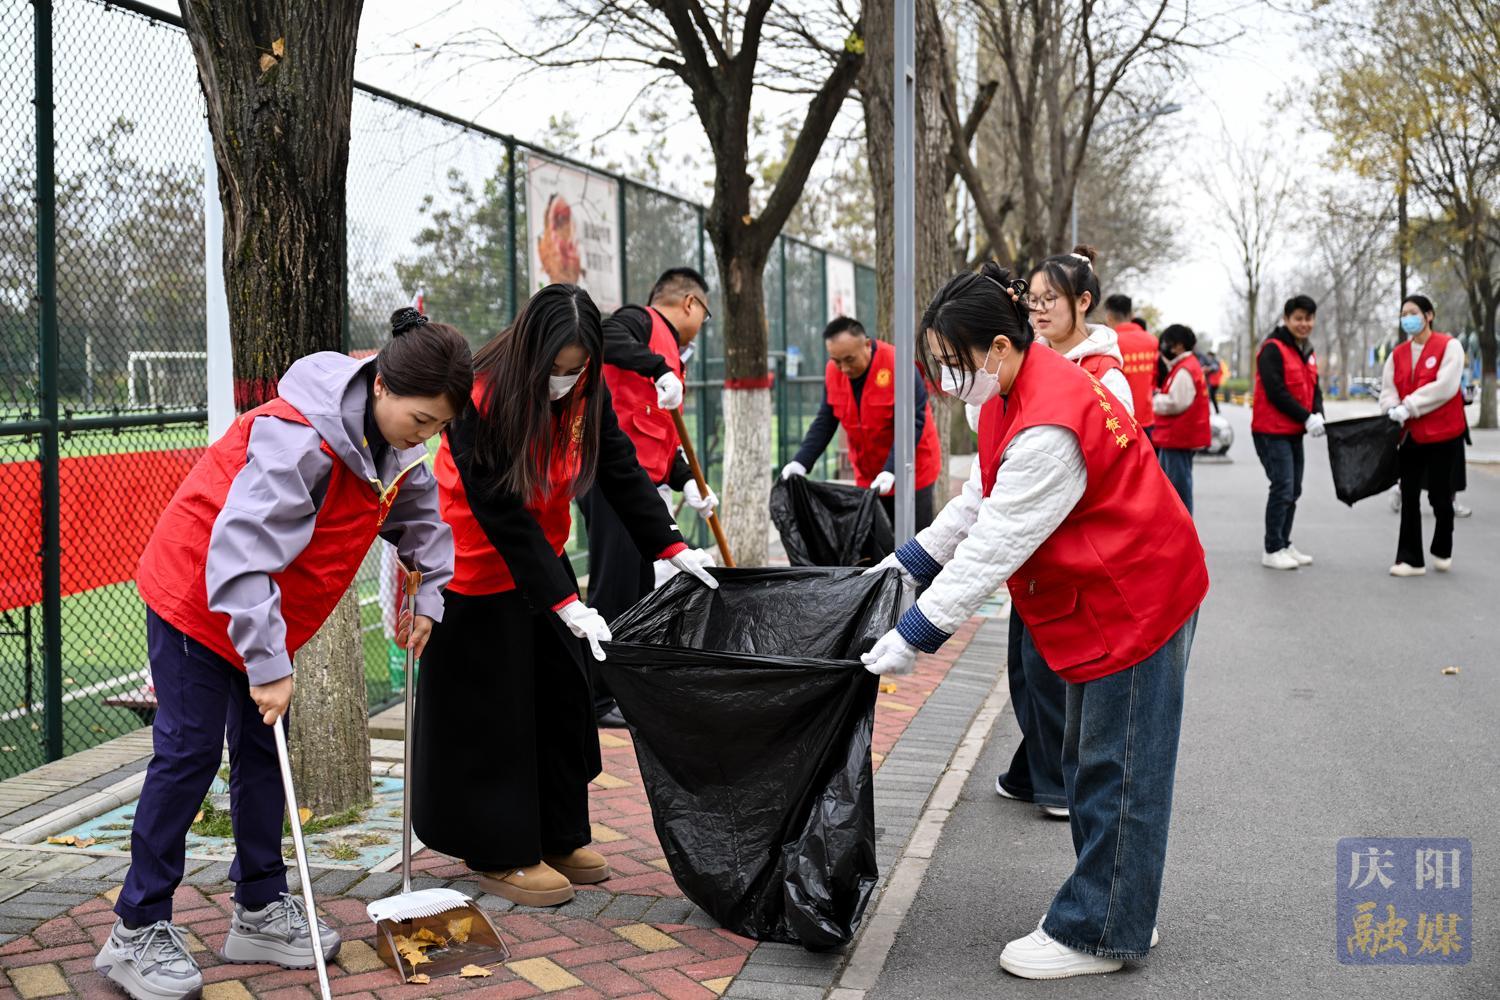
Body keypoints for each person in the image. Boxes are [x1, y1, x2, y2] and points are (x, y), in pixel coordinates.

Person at [97, 309, 472, 1000]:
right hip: (199, 596)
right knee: (188, 755)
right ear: (382, 385)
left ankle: (259, 908)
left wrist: (429, 596)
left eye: (439, 427)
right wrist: (268, 665)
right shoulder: (299, 439)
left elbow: (419, 518)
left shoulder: (395, 445)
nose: (426, 436)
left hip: (266, 612)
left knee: (265, 753)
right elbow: (238, 556)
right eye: (421, 419)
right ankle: (136, 926)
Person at [862, 262, 1207, 979]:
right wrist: (905, 564)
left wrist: (916, 633)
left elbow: (997, 540)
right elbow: (978, 499)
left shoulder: (1050, 419)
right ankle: (1121, 903)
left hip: (1137, 598)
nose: (945, 378)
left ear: (997, 346)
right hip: (1108, 593)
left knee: (1118, 768)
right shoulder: (1011, 392)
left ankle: (1102, 930)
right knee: (1088, 758)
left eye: (953, 361)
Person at [411, 284, 718, 909]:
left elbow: (618, 465)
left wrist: (670, 545)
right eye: (557, 368)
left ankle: (556, 833)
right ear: (531, 351)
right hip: (474, 565)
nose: (566, 380)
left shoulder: (586, 386)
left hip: (542, 558)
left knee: (560, 699)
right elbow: (499, 510)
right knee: (499, 714)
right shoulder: (479, 394)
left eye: (577, 368)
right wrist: (564, 600)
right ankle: (497, 850)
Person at [986, 245, 1134, 823]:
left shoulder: (1106, 377)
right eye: (1035, 299)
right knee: (1024, 667)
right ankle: (1032, 772)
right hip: (1032, 547)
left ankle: (1058, 785)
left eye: (1053, 299)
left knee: (1048, 668)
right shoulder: (1031, 360)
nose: (1040, 309)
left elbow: (1109, 465)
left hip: (1070, 547)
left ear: (1084, 302)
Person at [579, 267, 714, 726]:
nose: (701, 326)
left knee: (637, 588)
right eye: (704, 315)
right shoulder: (639, 322)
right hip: (609, 479)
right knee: (614, 585)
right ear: (690, 303)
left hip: (638, 486)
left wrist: (686, 479)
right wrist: (657, 367)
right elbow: (603, 336)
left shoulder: (673, 354)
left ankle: (621, 685)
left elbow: (660, 434)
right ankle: (596, 697)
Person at [782, 316, 942, 532]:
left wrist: (892, 470)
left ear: (867, 344)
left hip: (912, 471)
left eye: (849, 359)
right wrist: (801, 461)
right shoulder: (833, 372)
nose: (844, 368)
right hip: (868, 474)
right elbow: (825, 420)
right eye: (836, 361)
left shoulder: (898, 366)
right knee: (876, 542)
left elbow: (912, 421)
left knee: (914, 540)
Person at [1381, 294, 1467, 577]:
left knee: (1440, 496)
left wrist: (1409, 406)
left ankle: (1443, 547)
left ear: (1429, 315)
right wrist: (1391, 407)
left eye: (1413, 312)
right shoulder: (1397, 354)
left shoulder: (1449, 346)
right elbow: (1388, 388)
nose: (1408, 318)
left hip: (1444, 434)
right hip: (1411, 435)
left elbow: (1445, 387)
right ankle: (1410, 559)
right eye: (1403, 313)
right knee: (1409, 495)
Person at [1252, 295, 1324, 571]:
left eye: (1309, 318)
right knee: (1282, 486)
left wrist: (1318, 413)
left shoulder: (1306, 350)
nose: (1304, 324)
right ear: (1286, 319)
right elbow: (1276, 392)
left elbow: (1314, 388)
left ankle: (1284, 542)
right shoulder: (1272, 349)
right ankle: (1272, 549)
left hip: (1293, 431)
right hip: (1271, 431)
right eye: (1298, 318)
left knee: (1294, 489)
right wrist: (1306, 417)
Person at [1152, 324, 1212, 513]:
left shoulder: (1185, 370)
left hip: (1177, 437)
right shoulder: (1187, 366)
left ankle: (1184, 527)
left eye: (1166, 343)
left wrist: (1154, 400)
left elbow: (1177, 402)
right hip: (1176, 437)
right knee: (1174, 487)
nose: (1164, 347)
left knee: (1178, 491)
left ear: (1178, 346)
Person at [1102, 294, 1159, 434]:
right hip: (1147, 418)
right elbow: (1155, 378)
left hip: (1121, 420)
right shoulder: (1152, 341)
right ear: (1131, 314)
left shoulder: (1109, 343)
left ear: (1109, 316)